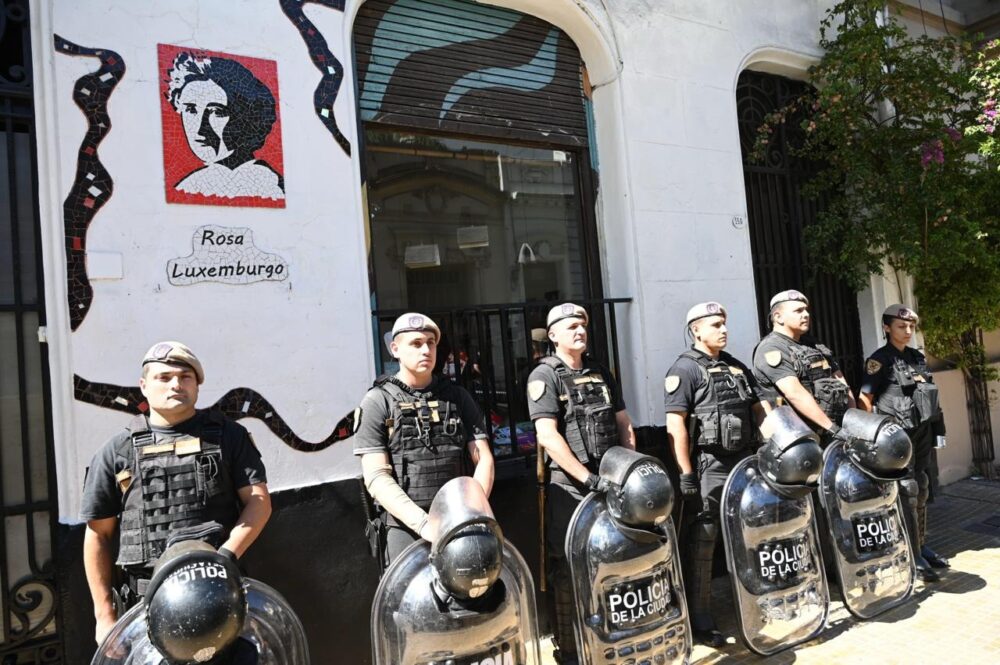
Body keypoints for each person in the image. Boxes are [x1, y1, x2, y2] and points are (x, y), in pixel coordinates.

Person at [81, 341, 271, 644]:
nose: (176, 385)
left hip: (219, 593)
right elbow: (98, 535)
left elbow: (258, 502)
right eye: (164, 377)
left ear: (197, 386)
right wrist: (104, 616)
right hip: (146, 606)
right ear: (144, 386)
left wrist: (225, 555)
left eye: (185, 377)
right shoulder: (116, 451)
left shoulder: (228, 436)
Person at [527, 303, 635, 665]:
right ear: (553, 335)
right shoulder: (545, 376)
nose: (580, 331)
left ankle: (606, 633)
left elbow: (623, 423)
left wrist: (627, 467)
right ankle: (569, 648)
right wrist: (586, 478)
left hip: (610, 481)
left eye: (583, 326)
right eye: (571, 326)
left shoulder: (600, 371)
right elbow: (548, 436)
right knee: (568, 567)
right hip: (572, 487)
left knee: (611, 559)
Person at [665, 302, 771, 646]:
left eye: (724, 323)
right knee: (703, 542)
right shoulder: (684, 370)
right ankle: (699, 619)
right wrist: (685, 472)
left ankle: (753, 604)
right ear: (696, 330)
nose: (723, 329)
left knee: (748, 533)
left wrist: (777, 443)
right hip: (709, 465)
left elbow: (760, 410)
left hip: (743, 462)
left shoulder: (736, 366)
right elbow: (676, 425)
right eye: (714, 324)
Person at [354, 313, 495, 566]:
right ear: (395, 349)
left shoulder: (457, 397)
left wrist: (470, 512)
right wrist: (423, 524)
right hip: (405, 526)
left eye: (431, 342)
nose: (426, 349)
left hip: (459, 520)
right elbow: (376, 477)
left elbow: (483, 458)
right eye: (416, 343)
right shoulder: (378, 401)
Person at [858, 304, 950, 582]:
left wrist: (938, 430)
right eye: (901, 326)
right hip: (897, 438)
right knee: (906, 490)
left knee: (921, 486)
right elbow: (865, 399)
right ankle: (910, 553)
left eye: (911, 326)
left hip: (921, 432)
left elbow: (930, 396)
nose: (908, 331)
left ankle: (921, 544)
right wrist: (873, 436)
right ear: (887, 328)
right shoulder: (878, 361)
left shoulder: (916, 357)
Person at [165, 51, 284, 199]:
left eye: (216, 111)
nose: (201, 128)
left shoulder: (268, 186)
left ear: (244, 119)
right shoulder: (191, 186)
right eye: (190, 109)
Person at [752, 290, 855, 444]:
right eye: (798, 311)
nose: (806, 314)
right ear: (778, 317)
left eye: (806, 310)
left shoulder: (814, 344)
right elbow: (794, 393)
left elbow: (841, 382)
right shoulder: (771, 348)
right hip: (797, 438)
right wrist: (832, 428)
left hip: (832, 432)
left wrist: (852, 422)